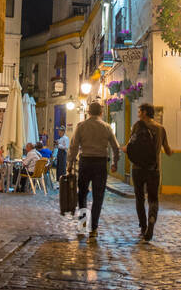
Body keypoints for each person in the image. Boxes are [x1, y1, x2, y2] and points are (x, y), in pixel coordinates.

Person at [68, 102, 121, 238]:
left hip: (85, 162)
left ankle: (82, 224)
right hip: (100, 163)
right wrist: (115, 162)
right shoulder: (106, 127)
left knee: (82, 194)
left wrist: (70, 164)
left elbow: (74, 147)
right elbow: (116, 147)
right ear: (101, 112)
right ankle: (94, 228)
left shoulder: (81, 126)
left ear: (88, 112)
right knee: (98, 196)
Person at [126, 103, 171, 241]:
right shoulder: (160, 128)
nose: (138, 113)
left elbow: (130, 145)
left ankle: (143, 227)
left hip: (137, 169)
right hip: (153, 169)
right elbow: (167, 150)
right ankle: (152, 218)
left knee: (139, 199)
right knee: (153, 199)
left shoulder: (137, 126)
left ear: (145, 112)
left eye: (139, 111)